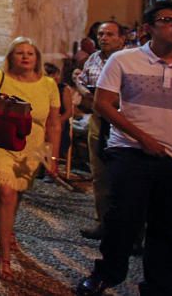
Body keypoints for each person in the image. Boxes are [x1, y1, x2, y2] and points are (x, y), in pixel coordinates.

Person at [76, 0, 172, 296]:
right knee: (123, 217)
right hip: (131, 151)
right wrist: (143, 137)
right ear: (149, 28)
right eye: (167, 20)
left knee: (169, 227)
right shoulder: (124, 60)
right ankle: (108, 272)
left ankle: (158, 284)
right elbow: (103, 104)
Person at [0, 36, 61, 280]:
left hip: (33, 147)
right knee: (5, 192)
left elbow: (54, 124)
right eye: (19, 52)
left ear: (37, 59)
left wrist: (53, 156)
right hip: (0, 142)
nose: (25, 56)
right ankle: (4, 255)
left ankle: (7, 229)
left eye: (30, 53)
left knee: (17, 192)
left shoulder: (48, 84)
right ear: (10, 57)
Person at [72, 20, 127, 240]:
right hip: (98, 119)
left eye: (110, 34)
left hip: (122, 121)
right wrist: (81, 86)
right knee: (100, 173)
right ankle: (104, 222)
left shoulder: (129, 60)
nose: (104, 38)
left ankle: (130, 230)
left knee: (125, 176)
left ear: (121, 39)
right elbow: (83, 83)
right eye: (101, 34)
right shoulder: (93, 59)